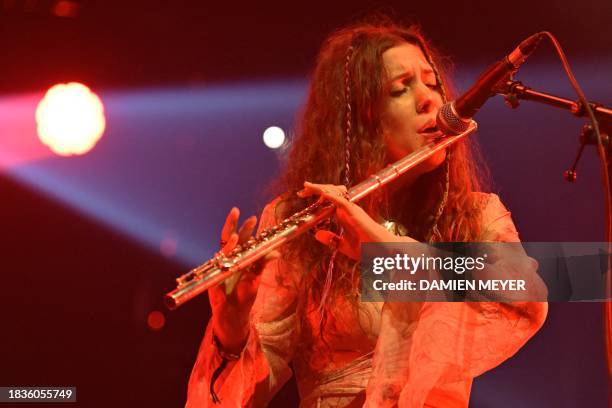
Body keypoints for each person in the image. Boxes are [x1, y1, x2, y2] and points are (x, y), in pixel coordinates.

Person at [186, 18, 548, 407]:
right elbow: (246, 391)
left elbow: (540, 292)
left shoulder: (476, 214)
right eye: (400, 89)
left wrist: (385, 254)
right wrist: (230, 329)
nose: (429, 100)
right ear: (359, 119)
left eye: (431, 82)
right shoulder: (305, 221)